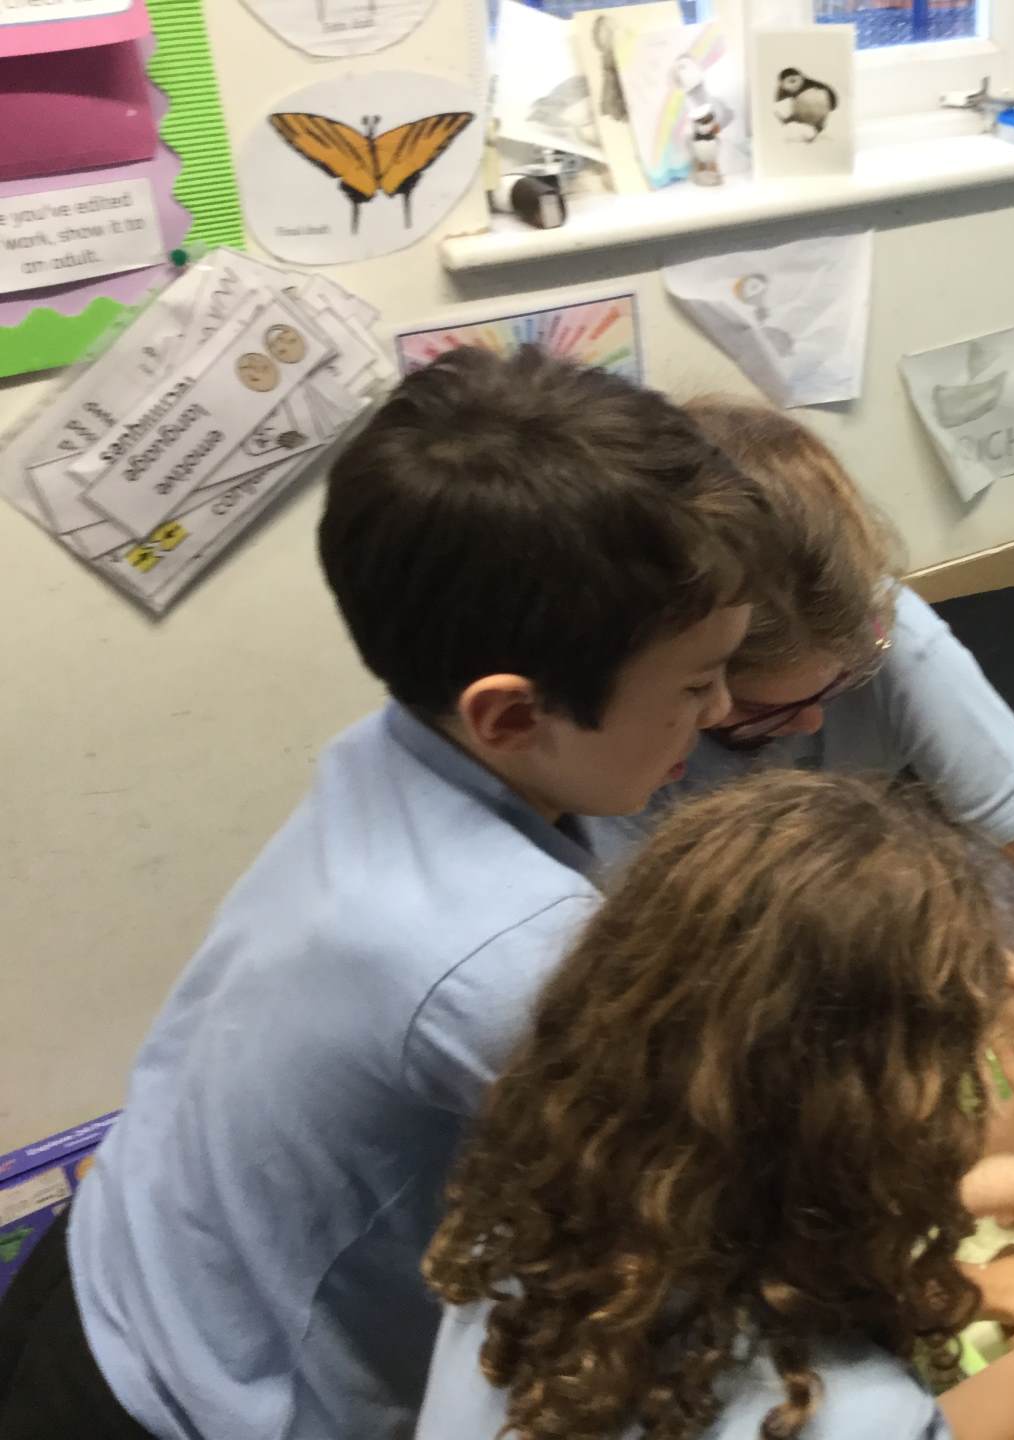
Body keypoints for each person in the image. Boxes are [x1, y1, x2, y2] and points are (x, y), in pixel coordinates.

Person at [0, 351, 776, 1440]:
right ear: (510, 714)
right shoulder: (497, 961)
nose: (726, 707)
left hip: (114, 1262)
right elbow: (712, 1233)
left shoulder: (404, 744)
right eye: (697, 684)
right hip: (176, 1400)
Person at [417, 772, 1014, 1440]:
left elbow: (747, 1230)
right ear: (866, 1135)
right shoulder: (846, 1414)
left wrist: (992, 1230)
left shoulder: (519, 1231)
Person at [631, 397, 1014, 1147]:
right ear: (690, 678)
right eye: (760, 712)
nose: (813, 726)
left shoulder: (885, 637)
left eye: (841, 686)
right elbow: (653, 998)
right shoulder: (621, 753)